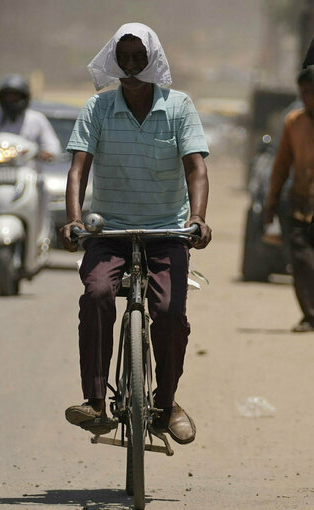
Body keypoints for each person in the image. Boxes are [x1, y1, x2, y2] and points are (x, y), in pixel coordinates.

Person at [58, 22, 212, 445]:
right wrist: (74, 220)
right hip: (108, 230)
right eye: (122, 59)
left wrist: (197, 218)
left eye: (137, 59)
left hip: (167, 231)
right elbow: (77, 170)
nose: (129, 67)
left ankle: (165, 403)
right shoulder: (98, 109)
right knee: (96, 296)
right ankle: (94, 401)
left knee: (169, 312)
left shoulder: (179, 107)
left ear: (153, 61)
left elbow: (196, 167)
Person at [263, 67, 314, 333]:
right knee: (301, 262)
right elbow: (282, 165)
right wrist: (271, 203)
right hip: (298, 206)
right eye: (302, 93)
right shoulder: (293, 122)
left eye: (310, 92)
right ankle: (310, 316)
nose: (306, 98)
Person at [0, 74, 61, 163]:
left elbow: (52, 146)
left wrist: (45, 153)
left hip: (28, 172)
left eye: (15, 97)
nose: (11, 101)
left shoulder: (36, 120)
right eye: (8, 97)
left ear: (24, 97)